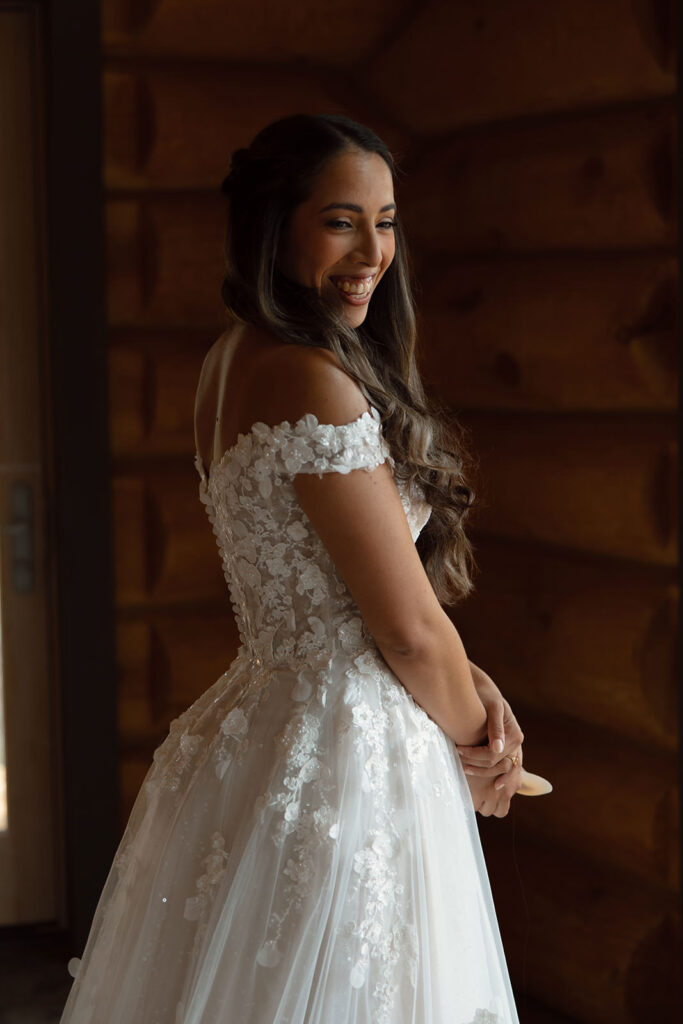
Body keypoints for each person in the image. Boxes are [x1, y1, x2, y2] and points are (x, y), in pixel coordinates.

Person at [60, 113, 531, 1023]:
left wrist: (464, 680)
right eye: (341, 220)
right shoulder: (307, 376)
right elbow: (402, 627)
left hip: (278, 718)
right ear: (275, 226)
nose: (372, 251)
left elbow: (363, 601)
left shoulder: (229, 360)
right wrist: (488, 744)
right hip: (350, 755)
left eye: (386, 221)